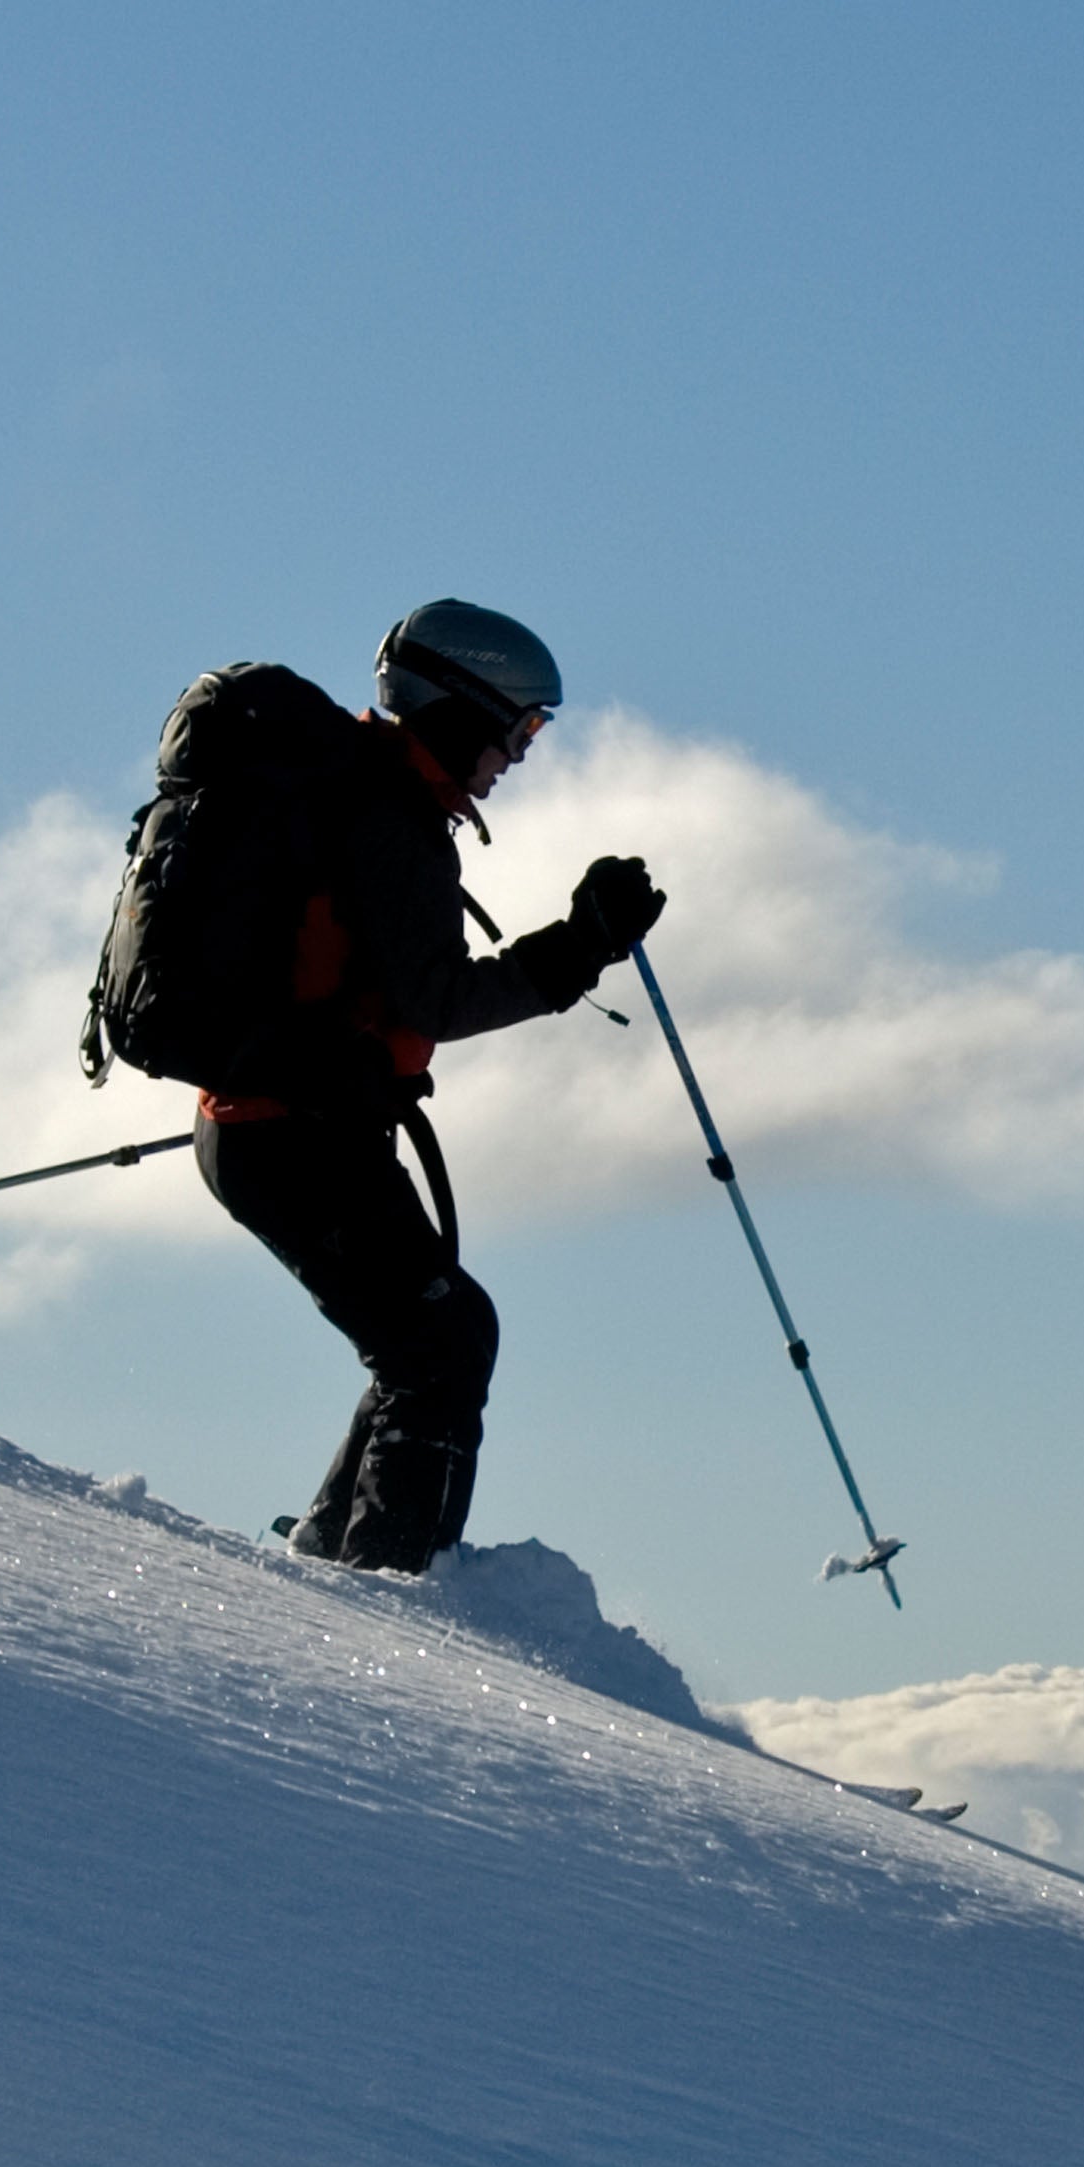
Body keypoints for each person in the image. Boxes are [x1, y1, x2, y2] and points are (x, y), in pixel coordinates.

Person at [197, 599, 659, 1572]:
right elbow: (438, 996)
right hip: (294, 1131)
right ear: (459, 707)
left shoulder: (370, 798)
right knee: (441, 1342)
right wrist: (584, 944)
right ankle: (389, 1593)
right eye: (520, 727)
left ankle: (337, 1564)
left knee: (432, 1336)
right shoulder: (386, 817)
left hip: (291, 1125)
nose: (522, 754)